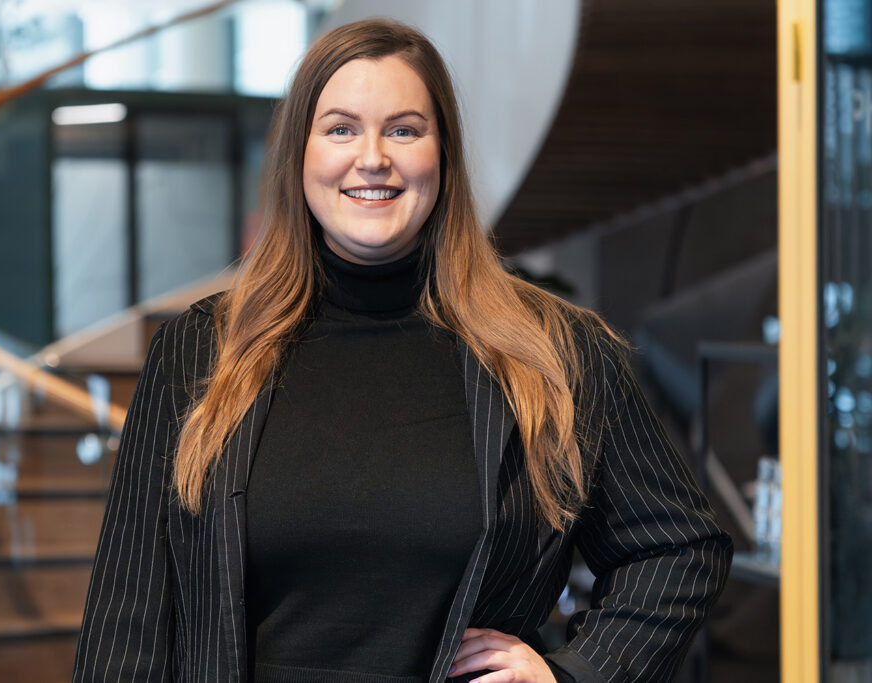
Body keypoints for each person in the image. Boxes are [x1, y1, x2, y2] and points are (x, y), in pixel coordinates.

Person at [72, 18, 733, 683]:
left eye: (404, 129)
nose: (372, 158)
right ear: (298, 155)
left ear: (442, 154)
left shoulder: (556, 351)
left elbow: (680, 546)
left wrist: (577, 671)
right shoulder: (201, 350)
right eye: (340, 128)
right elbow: (127, 617)